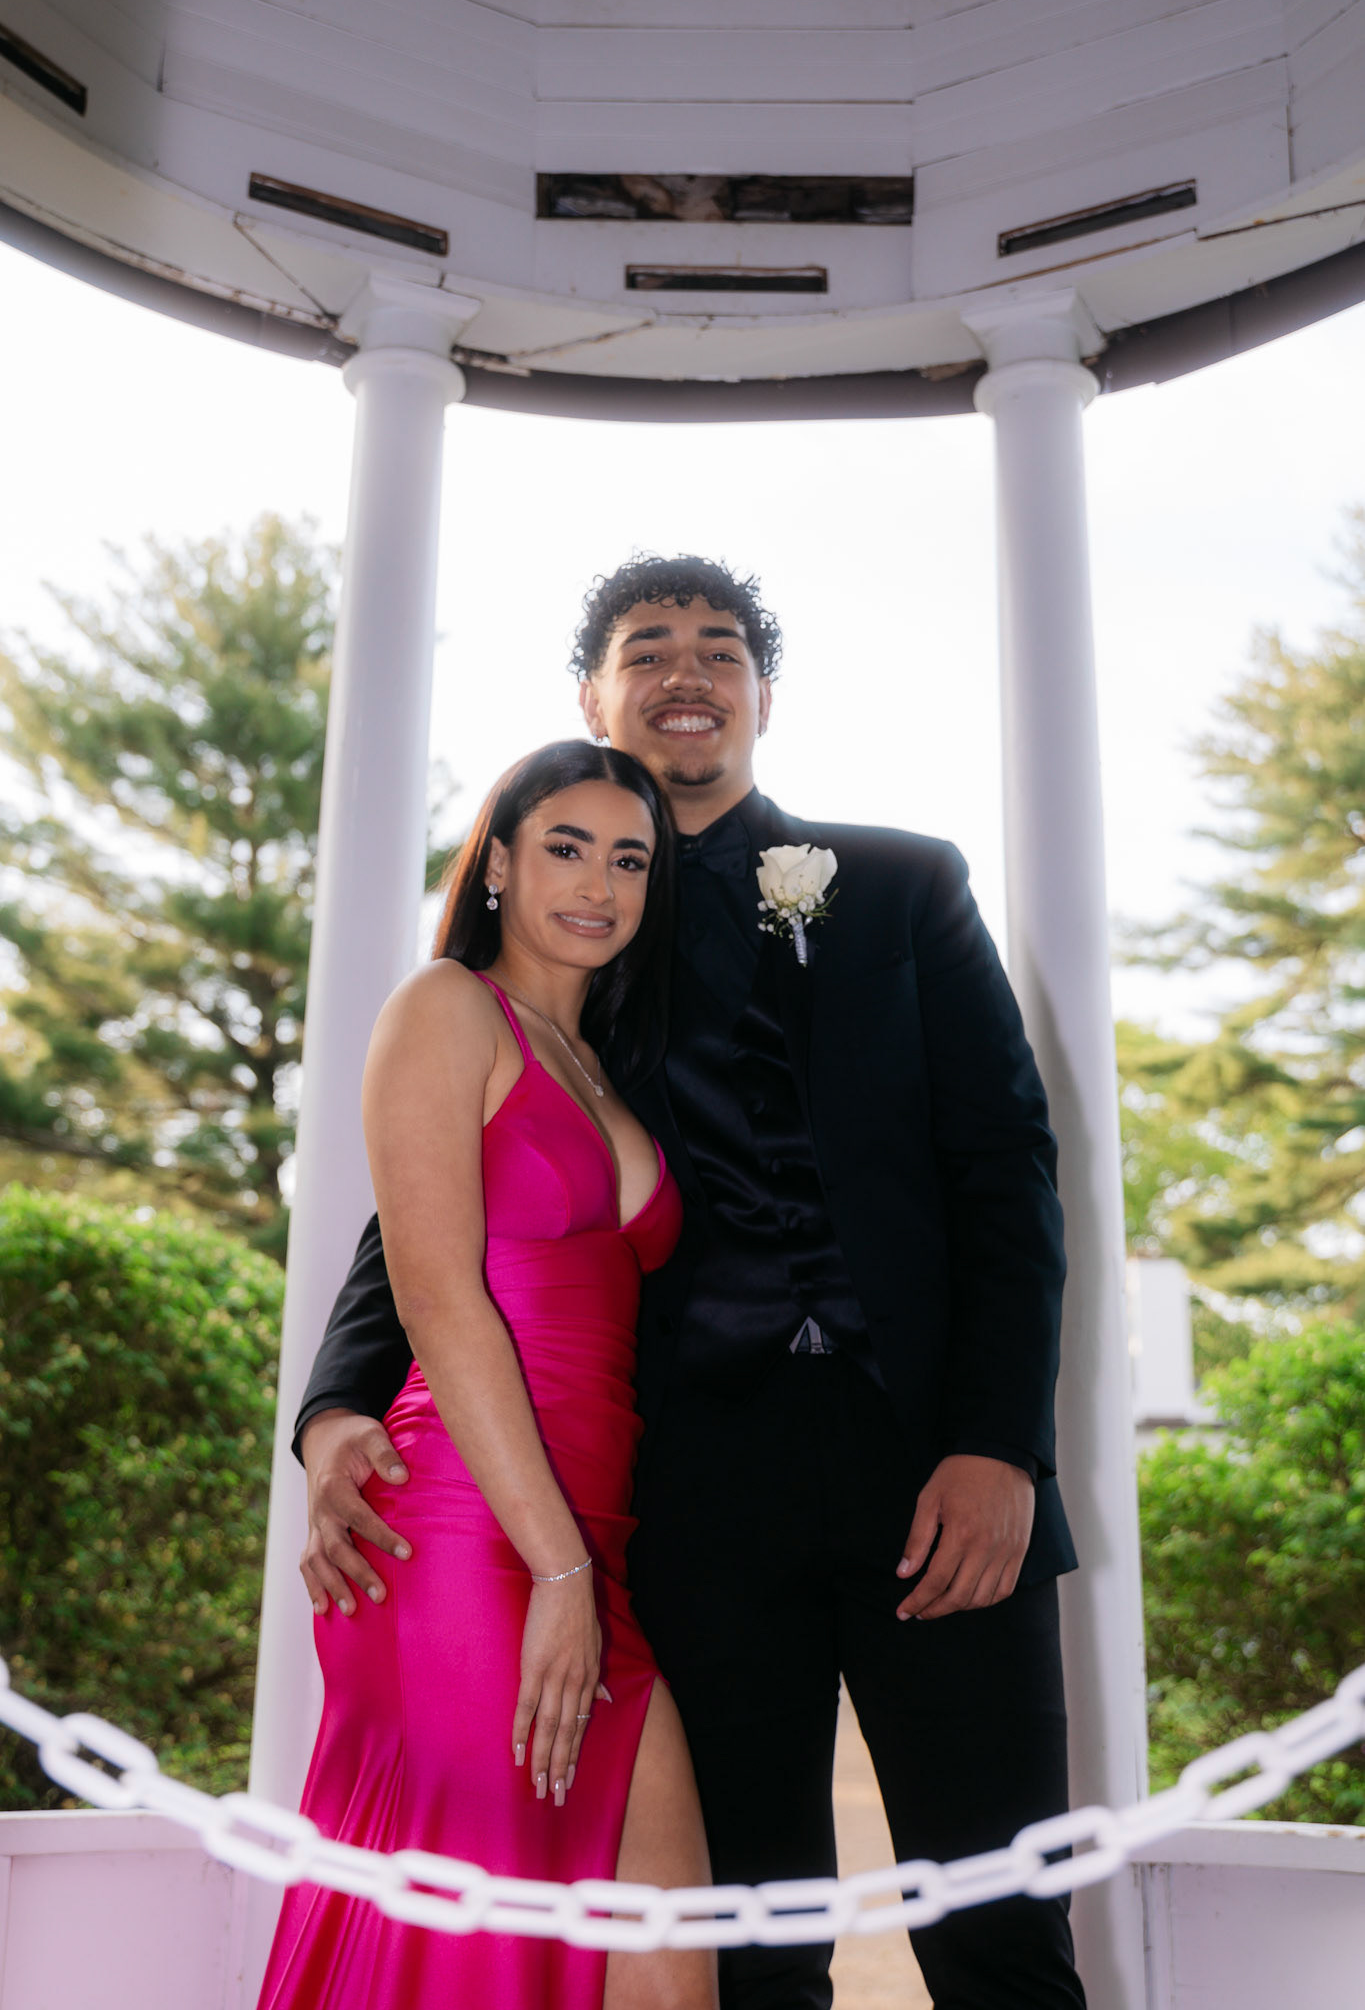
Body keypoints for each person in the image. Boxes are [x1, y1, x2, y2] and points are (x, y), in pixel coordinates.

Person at [297, 557, 1087, 2010]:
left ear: (762, 698)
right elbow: (433, 1198)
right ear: (592, 701)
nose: (686, 672)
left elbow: (1005, 1168)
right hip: (692, 1493)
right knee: (746, 1948)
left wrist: (1000, 1444)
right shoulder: (573, 937)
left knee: (1003, 1930)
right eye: (646, 648)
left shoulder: (905, 884)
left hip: (931, 1466)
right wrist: (338, 1400)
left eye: (719, 650)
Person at [259, 740, 718, 2010]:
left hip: (590, 1543)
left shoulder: (603, 1060)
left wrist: (579, 1568)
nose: (600, 883)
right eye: (566, 846)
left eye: (630, 858)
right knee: (472, 1964)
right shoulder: (445, 1008)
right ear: (499, 861)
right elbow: (433, 1290)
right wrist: (555, 1569)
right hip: (469, 1536)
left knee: (670, 1969)